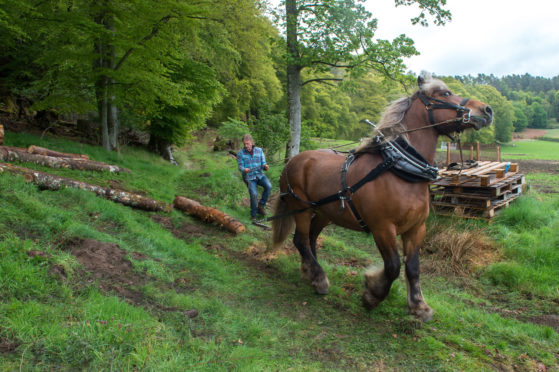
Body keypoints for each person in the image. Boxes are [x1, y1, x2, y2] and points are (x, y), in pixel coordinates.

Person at [236, 134, 272, 221]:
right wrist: (244, 169)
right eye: (244, 144)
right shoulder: (240, 153)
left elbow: (263, 163)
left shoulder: (259, 151)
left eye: (247, 143)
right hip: (249, 177)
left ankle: (261, 206)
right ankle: (253, 214)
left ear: (252, 142)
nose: (246, 146)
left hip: (260, 175)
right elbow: (240, 167)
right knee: (254, 194)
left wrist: (265, 166)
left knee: (269, 186)